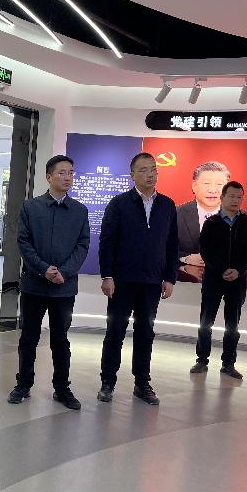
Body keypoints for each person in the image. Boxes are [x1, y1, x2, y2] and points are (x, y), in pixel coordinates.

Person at [7, 155, 89, 409]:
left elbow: (82, 245)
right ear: (49, 177)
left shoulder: (79, 211)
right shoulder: (31, 208)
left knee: (60, 340)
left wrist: (64, 271)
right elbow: (23, 242)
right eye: (62, 172)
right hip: (34, 285)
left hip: (64, 287)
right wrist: (44, 270)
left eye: (71, 172)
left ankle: (62, 388)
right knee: (29, 338)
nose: (68, 177)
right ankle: (23, 385)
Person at [97, 152, 178, 406]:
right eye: (143, 170)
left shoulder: (167, 205)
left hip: (152, 282)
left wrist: (170, 277)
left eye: (153, 169)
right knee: (115, 332)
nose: (150, 174)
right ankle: (108, 382)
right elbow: (107, 242)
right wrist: (107, 276)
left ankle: (142, 383)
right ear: (132, 175)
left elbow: (172, 244)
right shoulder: (119, 204)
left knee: (145, 334)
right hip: (122, 281)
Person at [190, 181, 247, 379]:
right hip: (213, 279)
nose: (235, 200)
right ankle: (202, 360)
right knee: (206, 321)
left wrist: (238, 271)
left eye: (239, 197)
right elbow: (205, 251)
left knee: (232, 324)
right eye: (232, 196)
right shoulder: (211, 223)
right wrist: (222, 270)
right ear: (222, 198)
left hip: (238, 281)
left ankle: (228, 363)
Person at [176, 161, 230, 281]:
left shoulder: (242, 219)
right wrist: (185, 259)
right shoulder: (175, 215)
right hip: (183, 285)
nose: (212, 190)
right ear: (194, 186)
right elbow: (161, 250)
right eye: (206, 183)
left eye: (219, 184)